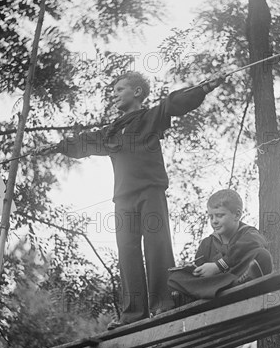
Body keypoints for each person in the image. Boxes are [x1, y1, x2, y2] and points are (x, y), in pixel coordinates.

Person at [43, 72, 224, 329]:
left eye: (119, 89)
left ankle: (163, 304)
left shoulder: (151, 117)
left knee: (156, 245)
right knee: (127, 252)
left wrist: (204, 88)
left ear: (137, 92)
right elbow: (85, 142)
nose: (114, 94)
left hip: (150, 191)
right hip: (123, 198)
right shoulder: (111, 133)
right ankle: (132, 314)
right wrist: (59, 147)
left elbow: (175, 103)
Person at [168, 189, 273, 302]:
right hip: (215, 283)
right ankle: (233, 285)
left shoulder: (250, 233)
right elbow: (200, 272)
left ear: (237, 215)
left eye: (219, 215)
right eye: (211, 217)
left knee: (262, 255)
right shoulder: (207, 243)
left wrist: (219, 265)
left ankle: (234, 284)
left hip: (237, 275)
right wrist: (196, 271)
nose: (214, 221)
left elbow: (254, 244)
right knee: (174, 278)